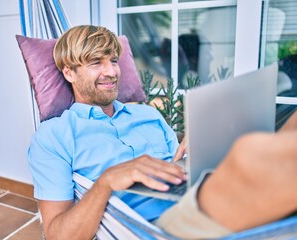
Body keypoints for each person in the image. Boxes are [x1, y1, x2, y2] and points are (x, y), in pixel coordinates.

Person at [28, 25, 297, 240]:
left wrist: (205, 141)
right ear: (69, 73)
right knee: (259, 153)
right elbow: (56, 234)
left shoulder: (148, 115)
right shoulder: (54, 136)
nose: (111, 72)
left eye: (113, 60)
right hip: (152, 226)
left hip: (197, 194)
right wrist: (106, 181)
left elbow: (176, 160)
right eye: (95, 63)